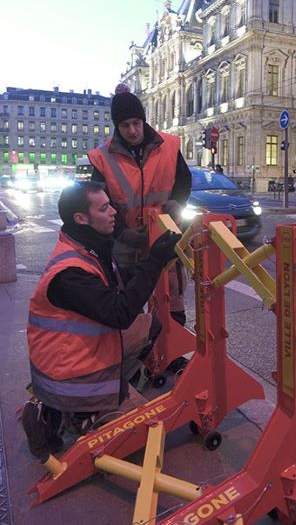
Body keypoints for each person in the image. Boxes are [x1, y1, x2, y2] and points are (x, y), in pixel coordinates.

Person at [22, 181, 180, 459]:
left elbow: (120, 290)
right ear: (81, 218)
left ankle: (89, 402)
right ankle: (82, 413)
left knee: (149, 324)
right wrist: (154, 261)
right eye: (104, 208)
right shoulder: (70, 272)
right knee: (148, 432)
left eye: (111, 205)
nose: (113, 213)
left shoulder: (87, 246)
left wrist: (153, 255)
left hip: (77, 352)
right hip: (72, 374)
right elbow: (119, 312)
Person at [88, 85, 192, 371]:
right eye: (125, 125)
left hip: (165, 236)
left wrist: (177, 202)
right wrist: (121, 231)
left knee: (172, 297)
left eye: (137, 122)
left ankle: (171, 353)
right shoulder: (103, 157)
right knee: (131, 300)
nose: (133, 130)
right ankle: (138, 353)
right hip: (127, 244)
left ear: (143, 120)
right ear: (116, 126)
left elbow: (183, 181)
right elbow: (100, 199)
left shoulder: (169, 145)